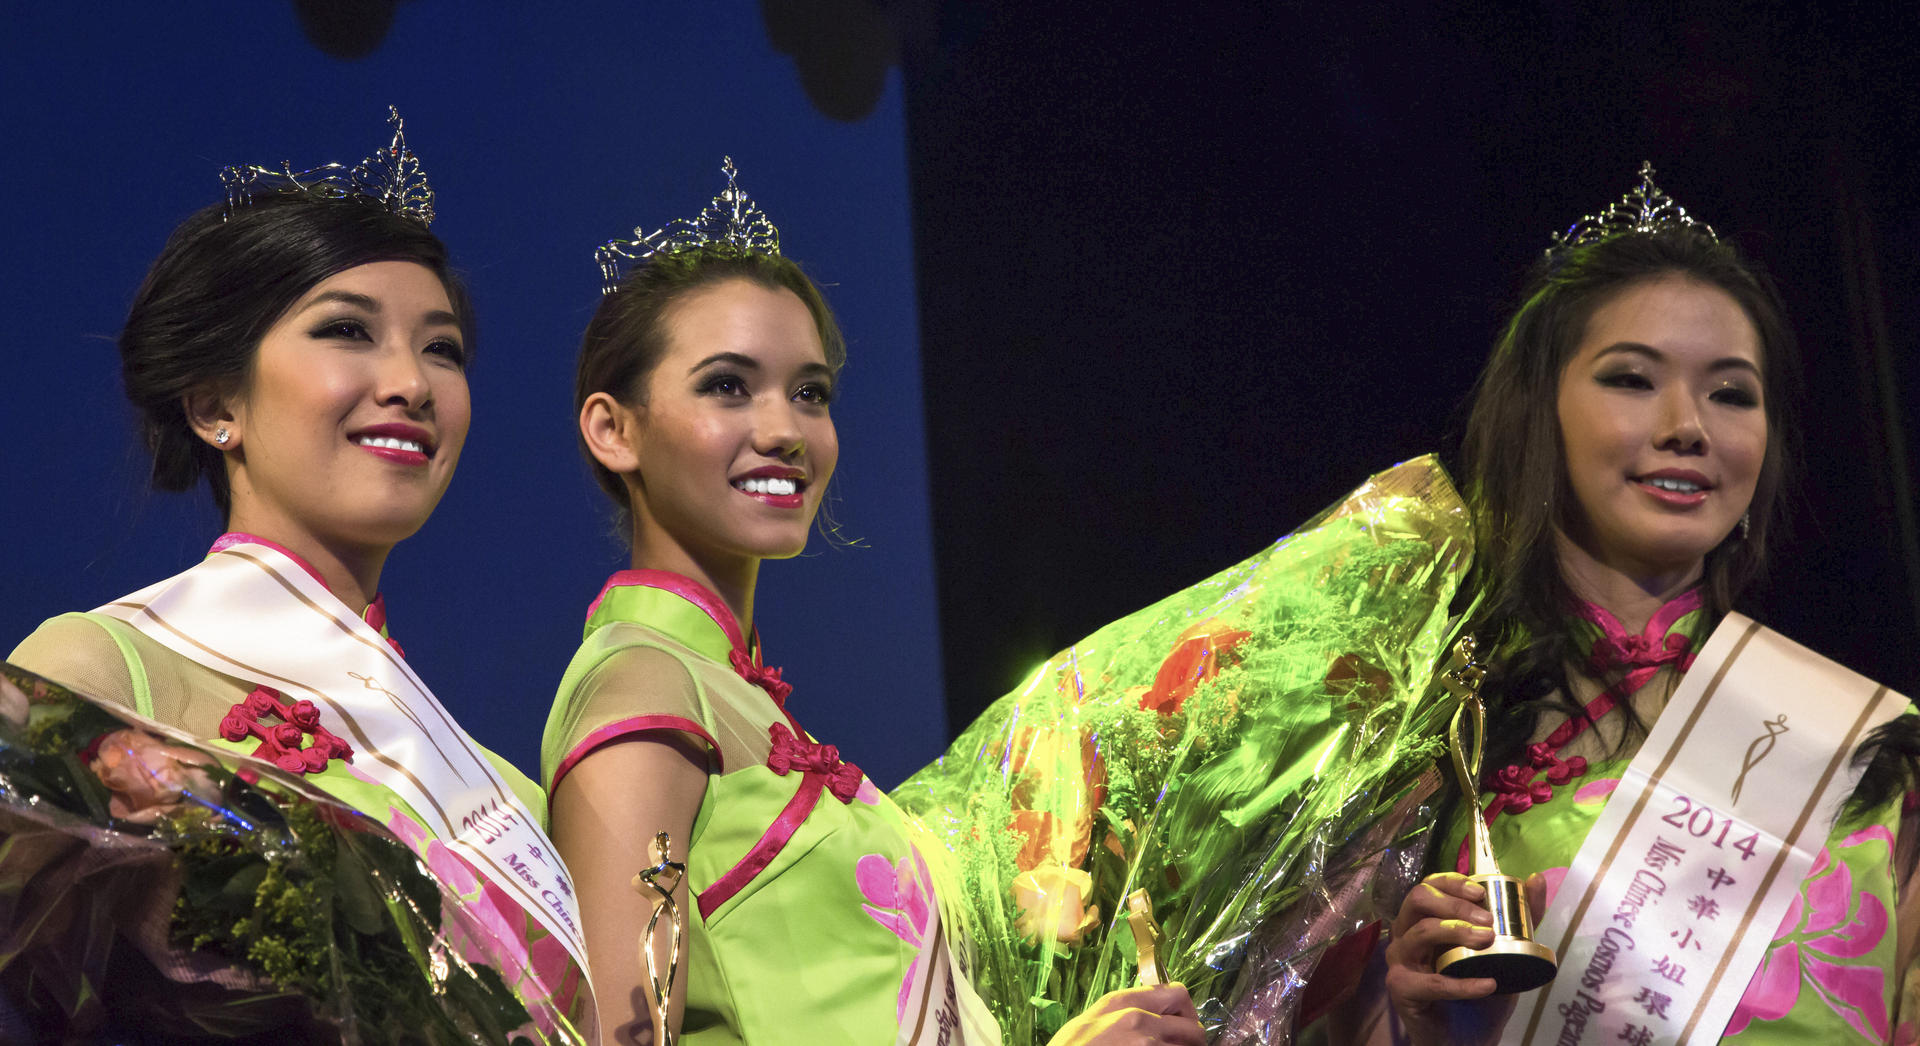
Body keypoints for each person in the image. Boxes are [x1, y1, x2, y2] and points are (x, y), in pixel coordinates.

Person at [543, 160, 1207, 1044]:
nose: (784, 429)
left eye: (809, 392)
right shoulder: (642, 689)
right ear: (612, 429)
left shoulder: (730, 695)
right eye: (727, 385)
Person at [7, 110, 593, 1041]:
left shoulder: (507, 798)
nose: (411, 380)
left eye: (441, 347)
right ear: (213, 405)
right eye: (348, 331)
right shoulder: (103, 671)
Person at [1344, 166, 1920, 1045]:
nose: (1688, 423)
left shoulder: (1875, 750)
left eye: (1732, 393)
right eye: (1631, 379)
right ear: (1542, 413)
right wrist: (1418, 1021)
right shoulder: (1424, 737)